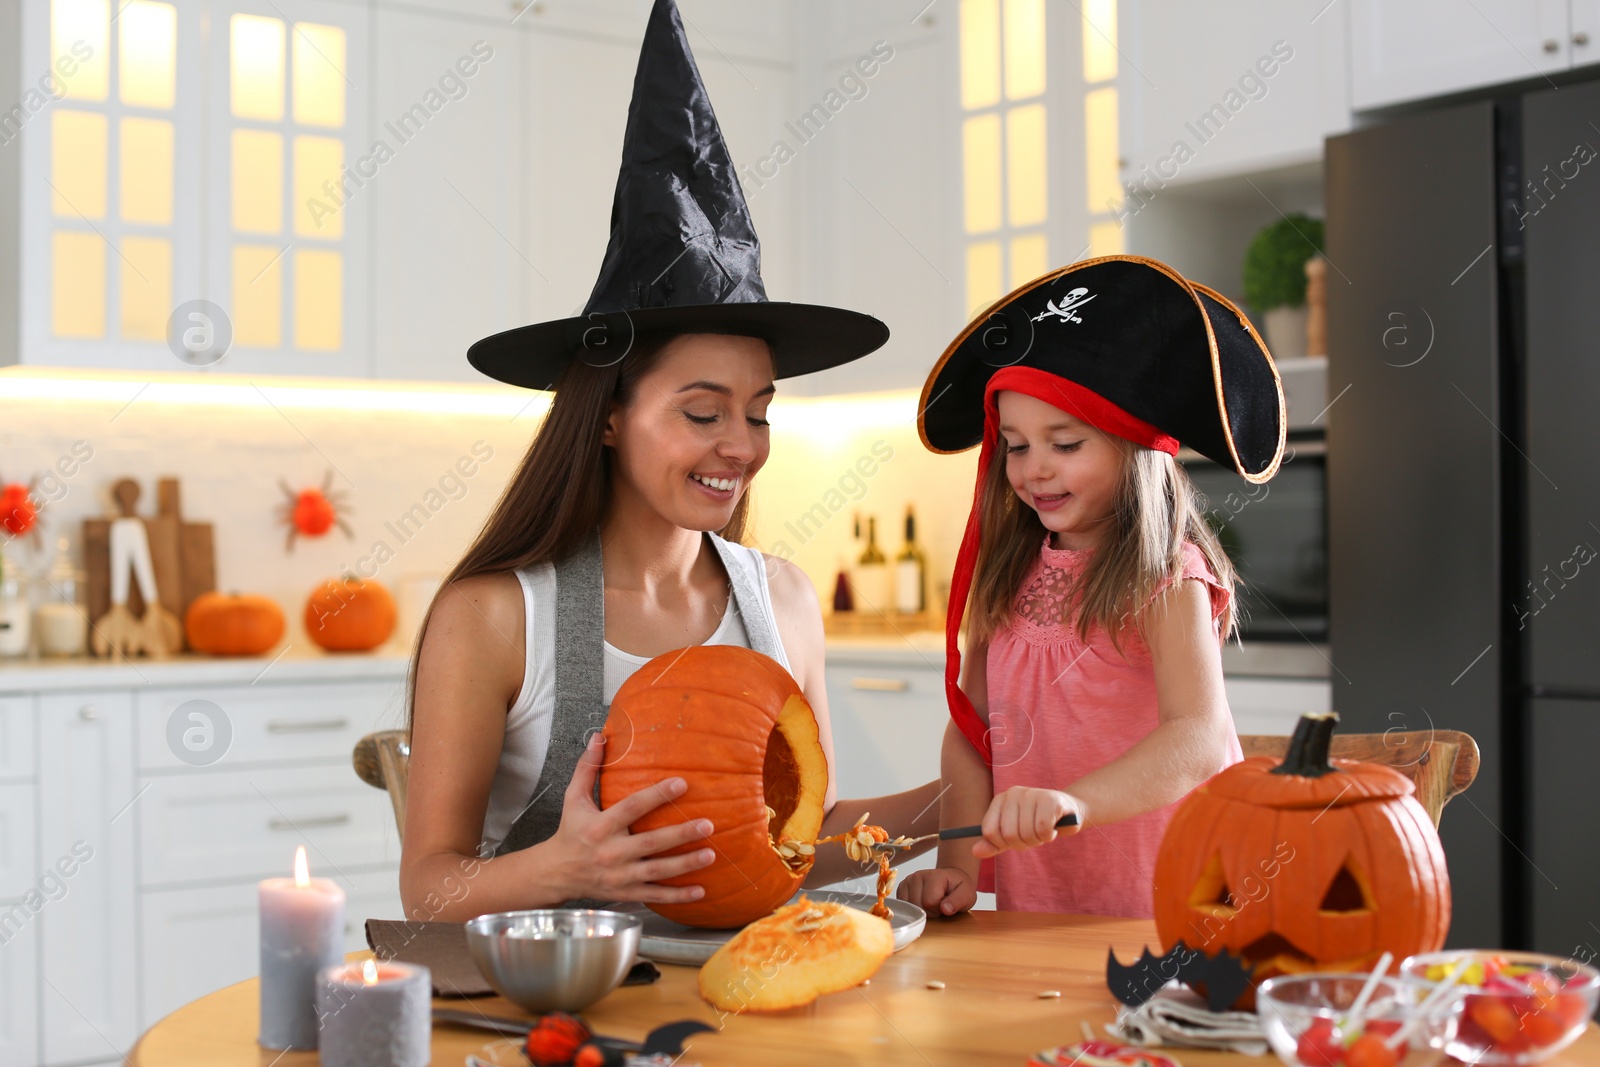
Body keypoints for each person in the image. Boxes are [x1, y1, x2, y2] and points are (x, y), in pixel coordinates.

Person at [399, 0, 938, 923]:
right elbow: (426, 887)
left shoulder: (785, 601)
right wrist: (567, 867)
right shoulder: (492, 617)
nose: (742, 445)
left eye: (759, 413)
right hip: (564, 1017)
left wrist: (967, 796)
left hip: (746, 997)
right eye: (702, 411)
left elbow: (803, 841)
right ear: (608, 416)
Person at [898, 255, 1288, 919]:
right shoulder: (1005, 574)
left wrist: (1076, 802)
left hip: (1164, 903)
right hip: (1042, 901)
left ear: (1134, 449)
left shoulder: (1166, 575)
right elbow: (971, 731)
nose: (1034, 468)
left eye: (1066, 442)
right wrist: (956, 867)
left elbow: (1196, 734)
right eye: (1016, 445)